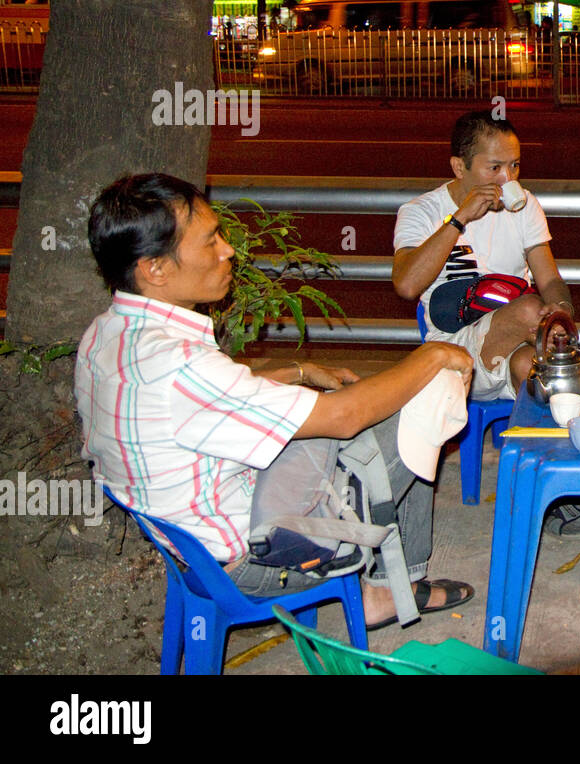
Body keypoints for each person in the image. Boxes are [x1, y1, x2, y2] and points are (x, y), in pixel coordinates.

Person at [76, 174, 475, 630]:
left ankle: (381, 585)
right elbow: (343, 419)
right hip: (259, 561)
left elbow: (196, 405)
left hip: (195, 546)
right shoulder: (179, 365)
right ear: (156, 269)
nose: (228, 250)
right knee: (420, 395)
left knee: (373, 400)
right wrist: (433, 354)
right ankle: (386, 587)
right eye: (210, 242)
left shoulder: (106, 334)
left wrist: (299, 373)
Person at [392, 110, 580, 539]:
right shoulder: (421, 211)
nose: (508, 178)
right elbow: (407, 285)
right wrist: (459, 220)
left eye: (515, 166)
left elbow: (549, 279)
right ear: (459, 167)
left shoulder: (524, 208)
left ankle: (554, 489)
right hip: (453, 355)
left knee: (545, 370)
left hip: (516, 345)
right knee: (528, 311)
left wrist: (559, 315)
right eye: (495, 168)